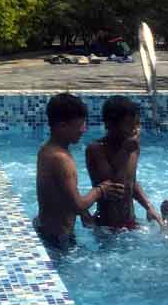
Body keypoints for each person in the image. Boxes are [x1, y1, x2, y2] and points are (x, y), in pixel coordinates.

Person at [35, 93, 121, 250]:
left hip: (45, 228)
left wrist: (85, 215)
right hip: (58, 237)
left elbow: (62, 193)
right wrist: (101, 190)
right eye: (80, 124)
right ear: (62, 126)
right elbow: (77, 205)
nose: (84, 129)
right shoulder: (61, 159)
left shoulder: (46, 150)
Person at [86, 96, 165, 231]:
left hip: (130, 222)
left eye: (137, 125)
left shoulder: (132, 147)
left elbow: (130, 181)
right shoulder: (97, 150)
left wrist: (149, 207)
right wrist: (125, 151)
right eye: (129, 125)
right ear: (110, 124)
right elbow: (114, 186)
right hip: (106, 227)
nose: (134, 130)